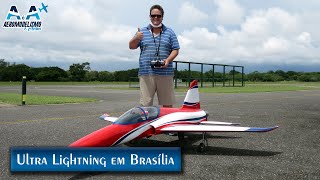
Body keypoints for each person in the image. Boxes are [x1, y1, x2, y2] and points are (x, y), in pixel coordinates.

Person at [129, 4, 180, 108]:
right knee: (145, 105)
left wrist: (168, 60)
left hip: (165, 73)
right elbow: (132, 46)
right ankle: (147, 124)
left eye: (158, 16)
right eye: (153, 15)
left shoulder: (170, 32)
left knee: (167, 104)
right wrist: (136, 37)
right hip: (146, 73)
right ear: (150, 16)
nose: (155, 18)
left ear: (162, 17)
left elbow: (176, 49)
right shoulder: (141, 32)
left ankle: (166, 124)